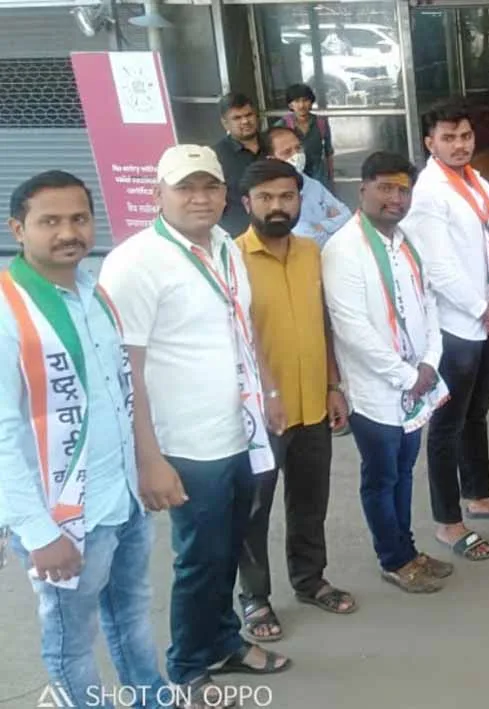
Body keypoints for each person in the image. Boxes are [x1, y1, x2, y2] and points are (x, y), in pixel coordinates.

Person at [98, 145, 290, 705]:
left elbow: (242, 326)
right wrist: (148, 458)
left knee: (229, 547)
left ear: (225, 193)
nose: (200, 198)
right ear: (157, 194)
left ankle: (223, 640)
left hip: (240, 431)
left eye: (210, 187)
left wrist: (268, 392)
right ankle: (186, 665)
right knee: (199, 558)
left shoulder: (226, 246)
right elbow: (125, 370)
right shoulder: (135, 262)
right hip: (185, 442)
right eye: (185, 187)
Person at [0, 171, 163, 708]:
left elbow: (119, 392)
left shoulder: (94, 291)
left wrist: (146, 467)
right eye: (50, 221)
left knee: (131, 617)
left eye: (79, 219)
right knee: (72, 642)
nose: (68, 232)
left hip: (122, 499)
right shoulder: (7, 310)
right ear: (18, 229)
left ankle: (151, 699)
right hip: (63, 518)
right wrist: (37, 532)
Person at [233, 159, 357, 644]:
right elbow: (233, 338)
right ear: (247, 203)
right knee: (254, 508)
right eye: (265, 198)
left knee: (310, 500)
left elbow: (322, 323)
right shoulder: (232, 259)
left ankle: (309, 579)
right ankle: (255, 596)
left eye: (286, 196)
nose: (277, 206)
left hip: (313, 404)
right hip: (261, 413)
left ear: (300, 200)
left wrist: (333, 386)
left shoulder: (310, 253)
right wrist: (263, 395)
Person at [322, 152, 454, 593]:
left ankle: (408, 550)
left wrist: (431, 360)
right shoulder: (343, 249)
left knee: (404, 470)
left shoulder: (406, 240)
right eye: (385, 188)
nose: (396, 198)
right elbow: (351, 328)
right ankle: (393, 559)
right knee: (382, 477)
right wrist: (405, 375)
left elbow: (428, 303)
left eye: (403, 190)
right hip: (375, 390)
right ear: (362, 190)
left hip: (415, 383)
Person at [405, 104, 489, 562]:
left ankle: (478, 495)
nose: (460, 145)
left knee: (476, 412)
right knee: (446, 425)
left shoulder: (479, 182)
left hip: (488, 314)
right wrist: (481, 307)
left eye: (465, 136)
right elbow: (437, 267)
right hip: (455, 325)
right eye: (449, 138)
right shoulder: (428, 193)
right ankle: (447, 521)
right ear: (430, 143)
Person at [264, 125, 351, 246]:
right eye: (287, 152)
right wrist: (333, 224)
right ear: (271, 159)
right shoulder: (270, 195)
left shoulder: (312, 184)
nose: (296, 155)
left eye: (298, 148)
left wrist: (322, 226)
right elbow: (306, 239)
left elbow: (347, 216)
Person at [211, 92, 263, 237]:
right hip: (238, 236)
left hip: (278, 230)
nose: (245, 121)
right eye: (237, 118)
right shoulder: (215, 156)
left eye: (249, 115)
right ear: (225, 123)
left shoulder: (273, 144)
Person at [278, 82, 335, 189]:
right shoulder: (283, 125)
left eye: (305, 100)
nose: (301, 105)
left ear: (311, 102)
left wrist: (331, 179)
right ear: (290, 105)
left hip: (319, 179)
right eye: (297, 101)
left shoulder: (321, 123)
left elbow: (329, 152)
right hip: (293, 178)